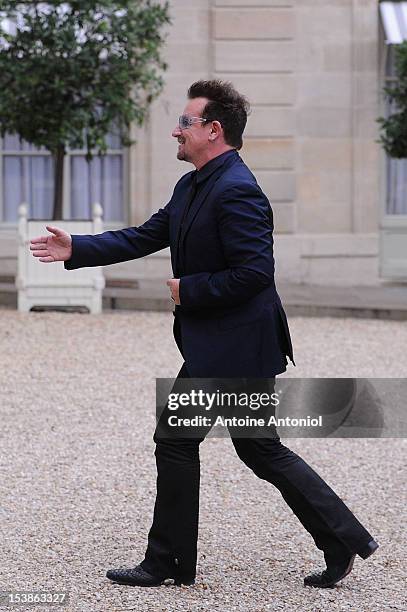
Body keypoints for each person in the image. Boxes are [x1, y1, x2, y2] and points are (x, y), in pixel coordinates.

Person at [30, 80, 378, 589]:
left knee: (195, 442)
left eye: (185, 123)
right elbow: (147, 235)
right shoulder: (193, 183)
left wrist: (186, 290)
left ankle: (169, 560)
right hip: (221, 345)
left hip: (238, 346)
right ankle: (341, 538)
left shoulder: (238, 189)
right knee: (253, 449)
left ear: (214, 130)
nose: (176, 130)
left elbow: (255, 273)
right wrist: (77, 249)